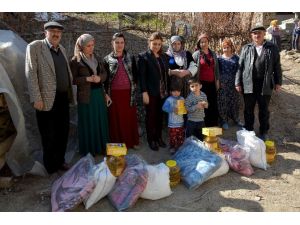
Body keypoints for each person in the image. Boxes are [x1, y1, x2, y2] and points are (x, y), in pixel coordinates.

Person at [25, 21, 74, 174]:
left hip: (62, 98)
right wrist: (36, 98)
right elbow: (31, 73)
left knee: (63, 131)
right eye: (52, 31)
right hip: (45, 99)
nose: (56, 34)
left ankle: (60, 161)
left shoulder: (63, 49)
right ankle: (51, 166)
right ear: (45, 32)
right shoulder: (35, 47)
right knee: (49, 134)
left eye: (58, 32)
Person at [235, 24, 282, 141]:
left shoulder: (272, 48)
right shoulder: (246, 48)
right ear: (252, 35)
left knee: (264, 109)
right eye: (255, 33)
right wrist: (237, 82)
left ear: (264, 34)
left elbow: (277, 67)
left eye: (259, 33)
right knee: (248, 109)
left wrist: (278, 82)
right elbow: (240, 67)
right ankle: (249, 130)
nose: (257, 35)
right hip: (248, 84)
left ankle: (264, 131)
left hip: (265, 84)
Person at [70, 33, 109, 156]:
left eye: (92, 45)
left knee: (100, 121)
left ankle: (102, 147)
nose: (91, 48)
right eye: (88, 46)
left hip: (99, 95)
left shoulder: (96, 58)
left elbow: (105, 74)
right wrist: (87, 79)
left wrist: (99, 78)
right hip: (86, 97)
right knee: (89, 123)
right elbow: (73, 79)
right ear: (81, 46)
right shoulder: (75, 60)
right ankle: (90, 149)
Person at [103, 32, 139, 149]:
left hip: (129, 94)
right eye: (117, 42)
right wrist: (105, 94)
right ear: (112, 43)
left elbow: (135, 74)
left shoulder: (130, 57)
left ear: (124, 44)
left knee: (129, 119)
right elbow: (105, 79)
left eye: (122, 42)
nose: (119, 45)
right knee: (115, 120)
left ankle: (131, 142)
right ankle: (117, 146)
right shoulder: (106, 59)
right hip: (114, 95)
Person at [138, 32, 169, 151]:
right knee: (151, 117)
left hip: (162, 92)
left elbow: (166, 73)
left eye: (159, 44)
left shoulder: (164, 57)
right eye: (154, 44)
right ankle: (151, 140)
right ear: (149, 43)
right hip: (150, 92)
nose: (156, 46)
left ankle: (159, 138)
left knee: (160, 116)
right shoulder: (143, 57)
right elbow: (142, 76)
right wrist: (144, 92)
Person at [192, 33, 220, 127]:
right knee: (203, 104)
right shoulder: (196, 55)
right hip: (201, 84)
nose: (203, 44)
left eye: (205, 42)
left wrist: (217, 81)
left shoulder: (213, 54)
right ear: (199, 43)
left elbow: (216, 69)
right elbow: (192, 70)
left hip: (212, 83)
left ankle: (213, 125)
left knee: (212, 104)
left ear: (208, 42)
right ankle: (203, 126)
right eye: (201, 42)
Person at [217, 38, 242, 130]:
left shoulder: (236, 58)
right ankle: (224, 121)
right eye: (224, 48)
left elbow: (239, 71)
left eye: (228, 47)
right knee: (223, 102)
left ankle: (236, 119)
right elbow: (217, 72)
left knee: (235, 102)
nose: (226, 49)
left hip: (234, 84)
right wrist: (219, 82)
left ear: (231, 47)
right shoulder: (219, 59)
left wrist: (238, 83)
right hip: (223, 84)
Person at [162, 81, 185, 154]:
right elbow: (164, 108)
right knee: (173, 137)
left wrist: (185, 109)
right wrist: (172, 109)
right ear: (170, 92)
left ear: (180, 91)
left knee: (181, 136)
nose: (176, 93)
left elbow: (186, 108)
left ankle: (180, 148)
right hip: (172, 123)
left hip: (180, 122)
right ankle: (172, 147)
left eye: (178, 91)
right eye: (174, 91)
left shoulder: (182, 99)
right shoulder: (169, 99)